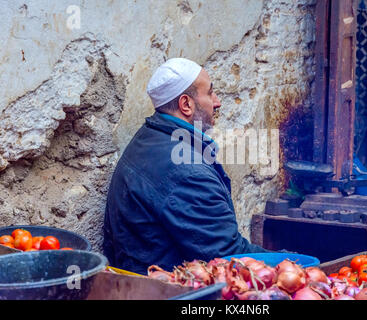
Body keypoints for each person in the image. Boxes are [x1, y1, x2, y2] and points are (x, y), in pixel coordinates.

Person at [103, 58, 270, 275]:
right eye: (210, 93)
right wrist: (295, 264)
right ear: (186, 105)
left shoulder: (150, 136)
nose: (217, 101)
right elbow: (228, 258)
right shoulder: (188, 173)